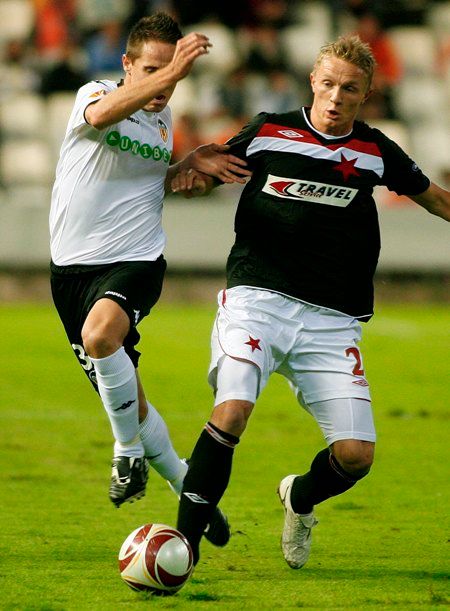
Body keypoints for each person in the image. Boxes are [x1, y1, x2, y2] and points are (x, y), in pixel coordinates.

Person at [172, 35, 450, 567]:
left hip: (331, 319)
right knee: (232, 411)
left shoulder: (375, 149)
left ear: (367, 92)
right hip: (258, 297)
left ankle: (299, 497)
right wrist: (194, 177)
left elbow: (433, 197)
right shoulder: (269, 130)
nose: (336, 96)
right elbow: (211, 173)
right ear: (312, 82)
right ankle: (182, 547)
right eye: (328, 83)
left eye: (350, 88)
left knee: (355, 457)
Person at [49, 13, 250, 548]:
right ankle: (191, 489)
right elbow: (103, 117)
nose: (166, 85)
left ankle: (126, 456)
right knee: (130, 398)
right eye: (154, 70)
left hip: (135, 260)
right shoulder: (95, 95)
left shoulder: (162, 120)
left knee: (101, 338)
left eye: (173, 73)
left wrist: (188, 164)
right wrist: (173, 76)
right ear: (127, 65)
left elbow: (147, 182)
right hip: (70, 271)